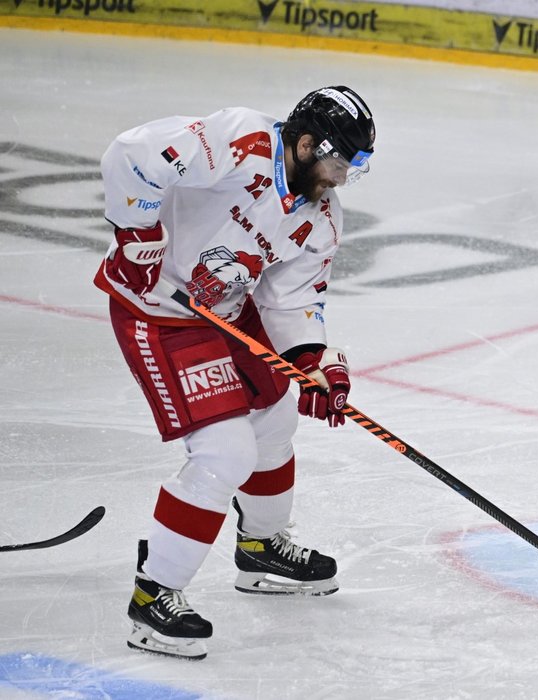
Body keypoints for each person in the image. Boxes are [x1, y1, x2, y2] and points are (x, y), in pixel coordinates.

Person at [94, 86, 376, 659]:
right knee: (226, 452)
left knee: (274, 423)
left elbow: (291, 294)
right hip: (159, 313)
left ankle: (260, 545)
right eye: (340, 161)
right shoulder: (239, 140)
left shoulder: (321, 217)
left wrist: (310, 362)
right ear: (304, 144)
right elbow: (132, 155)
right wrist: (137, 235)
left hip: (227, 310)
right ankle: (154, 598)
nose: (343, 177)